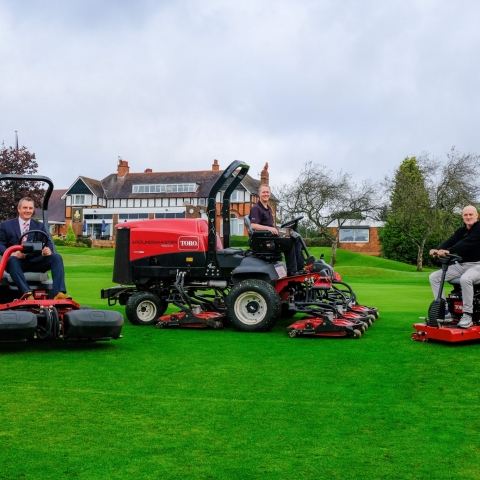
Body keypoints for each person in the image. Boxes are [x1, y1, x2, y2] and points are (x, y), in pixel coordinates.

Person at [0, 197, 71, 300]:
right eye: (25, 208)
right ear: (19, 209)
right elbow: (1, 244)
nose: (28, 211)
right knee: (12, 260)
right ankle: (27, 294)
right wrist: (12, 253)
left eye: (30, 208)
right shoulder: (5, 226)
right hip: (17, 262)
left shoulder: (39, 226)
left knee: (57, 258)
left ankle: (58, 293)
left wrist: (47, 250)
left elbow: (48, 243)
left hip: (36, 261)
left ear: (33, 210)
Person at [429, 205, 480, 328]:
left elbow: (467, 243)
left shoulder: (479, 228)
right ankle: (445, 311)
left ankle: (467, 314)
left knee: (465, 279)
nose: (468, 217)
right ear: (462, 217)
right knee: (434, 277)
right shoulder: (461, 231)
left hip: (477, 265)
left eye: (470, 214)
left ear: (476, 215)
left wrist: (449, 250)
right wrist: (438, 249)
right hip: (462, 265)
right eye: (465, 215)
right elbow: (450, 241)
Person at [249, 184, 305, 276]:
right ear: (259, 194)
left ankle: (300, 267)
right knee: (289, 243)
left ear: (270, 193)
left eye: (267, 192)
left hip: (271, 236)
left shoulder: (268, 208)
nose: (265, 194)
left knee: (296, 239)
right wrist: (269, 228)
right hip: (265, 241)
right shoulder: (256, 208)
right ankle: (292, 271)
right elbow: (253, 225)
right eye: (263, 192)